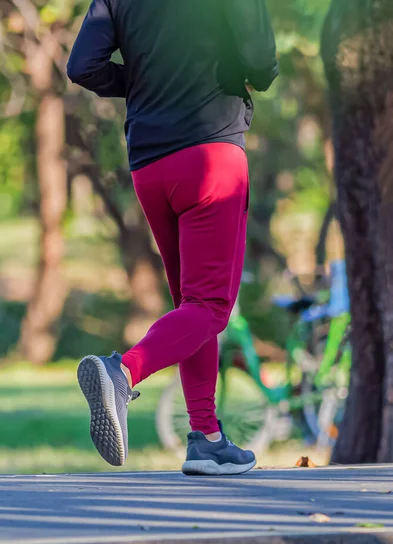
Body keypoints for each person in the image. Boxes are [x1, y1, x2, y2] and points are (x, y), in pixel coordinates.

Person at [67, 0, 278, 476]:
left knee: (191, 304)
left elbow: (82, 66)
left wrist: (142, 85)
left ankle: (207, 437)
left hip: (150, 164)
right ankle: (123, 373)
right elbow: (261, 62)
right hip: (210, 153)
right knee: (210, 307)